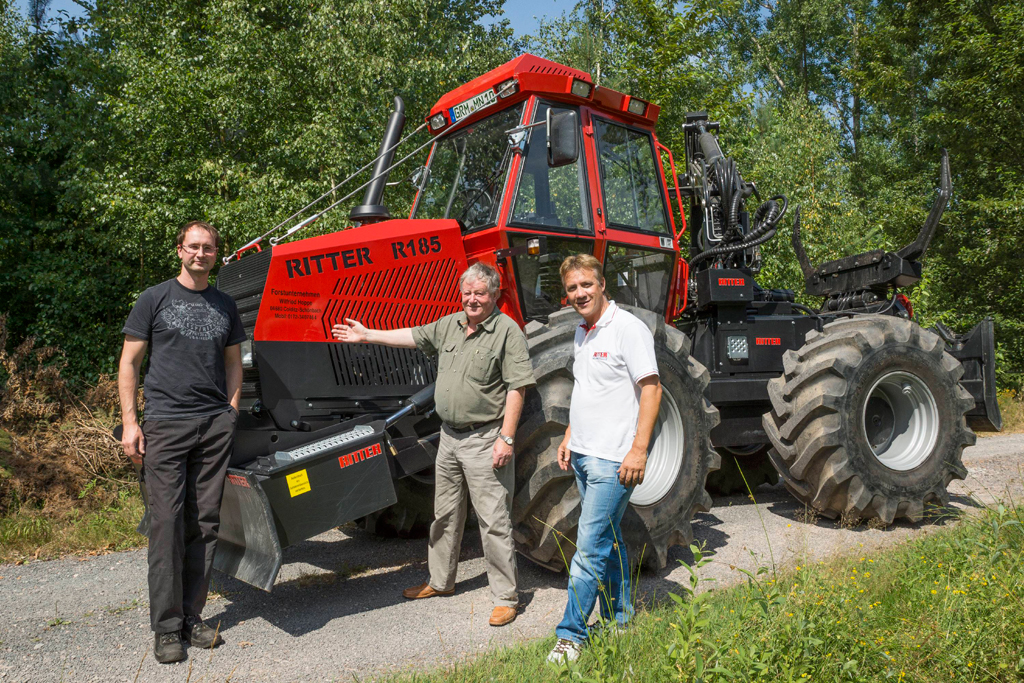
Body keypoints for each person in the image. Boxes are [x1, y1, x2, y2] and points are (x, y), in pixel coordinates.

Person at [332, 262, 534, 627]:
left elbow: (518, 387)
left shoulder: (507, 331)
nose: (472, 299)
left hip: (484, 438)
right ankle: (440, 582)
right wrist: (368, 335)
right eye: (467, 292)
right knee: (445, 514)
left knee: (492, 520)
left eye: (480, 293)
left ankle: (506, 597)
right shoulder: (450, 324)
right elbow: (411, 335)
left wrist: (506, 437)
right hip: (449, 437)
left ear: (493, 295)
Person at [118, 221, 245, 664]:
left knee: (205, 523)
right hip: (166, 425)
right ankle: (167, 628)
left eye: (208, 248)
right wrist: (131, 423)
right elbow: (129, 364)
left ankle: (193, 616)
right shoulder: (153, 298)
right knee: (166, 524)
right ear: (179, 251)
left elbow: (234, 363)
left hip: (212, 426)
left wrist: (230, 411)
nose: (200, 254)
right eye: (193, 247)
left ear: (216, 255)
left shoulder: (226, 304)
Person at [547, 254, 663, 664]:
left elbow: (651, 389)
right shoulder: (583, 332)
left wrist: (638, 449)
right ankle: (621, 620)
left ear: (601, 284)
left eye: (586, 285)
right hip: (583, 454)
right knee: (609, 544)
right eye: (572, 288)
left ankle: (570, 636)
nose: (579, 293)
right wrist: (569, 435)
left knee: (589, 548)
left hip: (613, 461)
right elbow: (588, 390)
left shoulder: (627, 329)